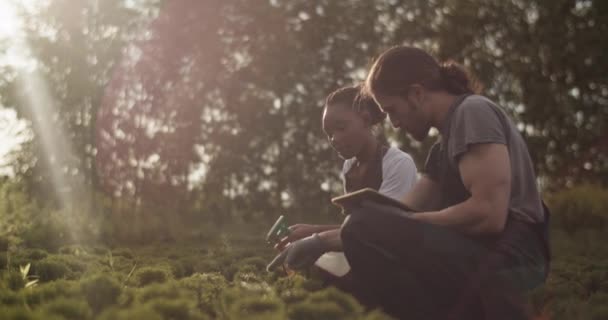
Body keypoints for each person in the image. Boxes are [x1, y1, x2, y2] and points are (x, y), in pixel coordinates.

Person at [267, 85, 417, 282]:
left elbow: (381, 231)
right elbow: (355, 229)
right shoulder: (349, 168)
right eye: (329, 133)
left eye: (341, 128)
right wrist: (310, 232)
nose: (334, 139)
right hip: (368, 255)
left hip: (398, 264)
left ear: (365, 119)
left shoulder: (397, 164)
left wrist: (314, 237)